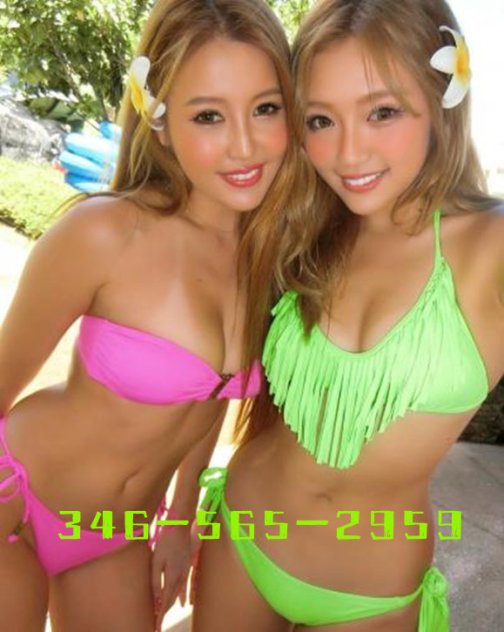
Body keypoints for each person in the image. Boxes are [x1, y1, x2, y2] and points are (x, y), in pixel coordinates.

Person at [191, 0, 504, 630]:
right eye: (321, 120)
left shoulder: (489, 245)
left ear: (441, 101)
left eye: (382, 112)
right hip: (242, 534)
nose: (349, 153)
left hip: (369, 593)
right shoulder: (303, 230)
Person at [0, 0, 303, 629]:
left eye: (266, 108)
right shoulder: (105, 232)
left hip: (116, 534)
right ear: (160, 122)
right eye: (209, 115)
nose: (244, 144)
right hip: (18, 502)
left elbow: (211, 397)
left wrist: (180, 518)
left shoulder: (271, 260)